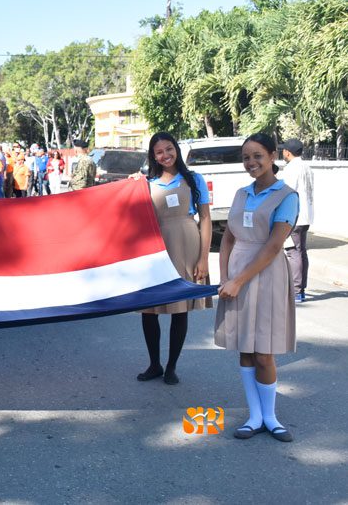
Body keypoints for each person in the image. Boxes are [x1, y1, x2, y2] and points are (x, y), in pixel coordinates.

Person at [215, 133, 299, 443]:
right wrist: (225, 276)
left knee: (264, 352)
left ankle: (271, 417)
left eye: (258, 156)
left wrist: (238, 280)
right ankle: (254, 416)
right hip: (237, 276)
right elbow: (228, 237)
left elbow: (274, 245)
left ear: (273, 155)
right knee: (246, 349)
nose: (251, 162)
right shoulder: (240, 193)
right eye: (246, 157)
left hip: (266, 276)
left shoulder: (287, 196)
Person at [131, 132, 212, 385]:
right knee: (149, 309)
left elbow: (206, 219)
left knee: (180, 308)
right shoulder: (146, 183)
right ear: (152, 156)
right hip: (155, 247)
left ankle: (172, 366)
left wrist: (204, 259)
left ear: (176, 149)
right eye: (159, 152)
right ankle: (154, 363)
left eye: (169, 149)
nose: (165, 155)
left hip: (187, 244)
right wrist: (131, 184)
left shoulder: (194, 179)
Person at [279, 139, 313, 302]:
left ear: (287, 152)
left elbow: (288, 192)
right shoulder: (306, 166)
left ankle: (297, 290)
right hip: (306, 215)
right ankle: (301, 289)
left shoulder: (292, 168)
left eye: (283, 151)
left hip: (295, 215)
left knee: (293, 251)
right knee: (301, 251)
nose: (282, 153)